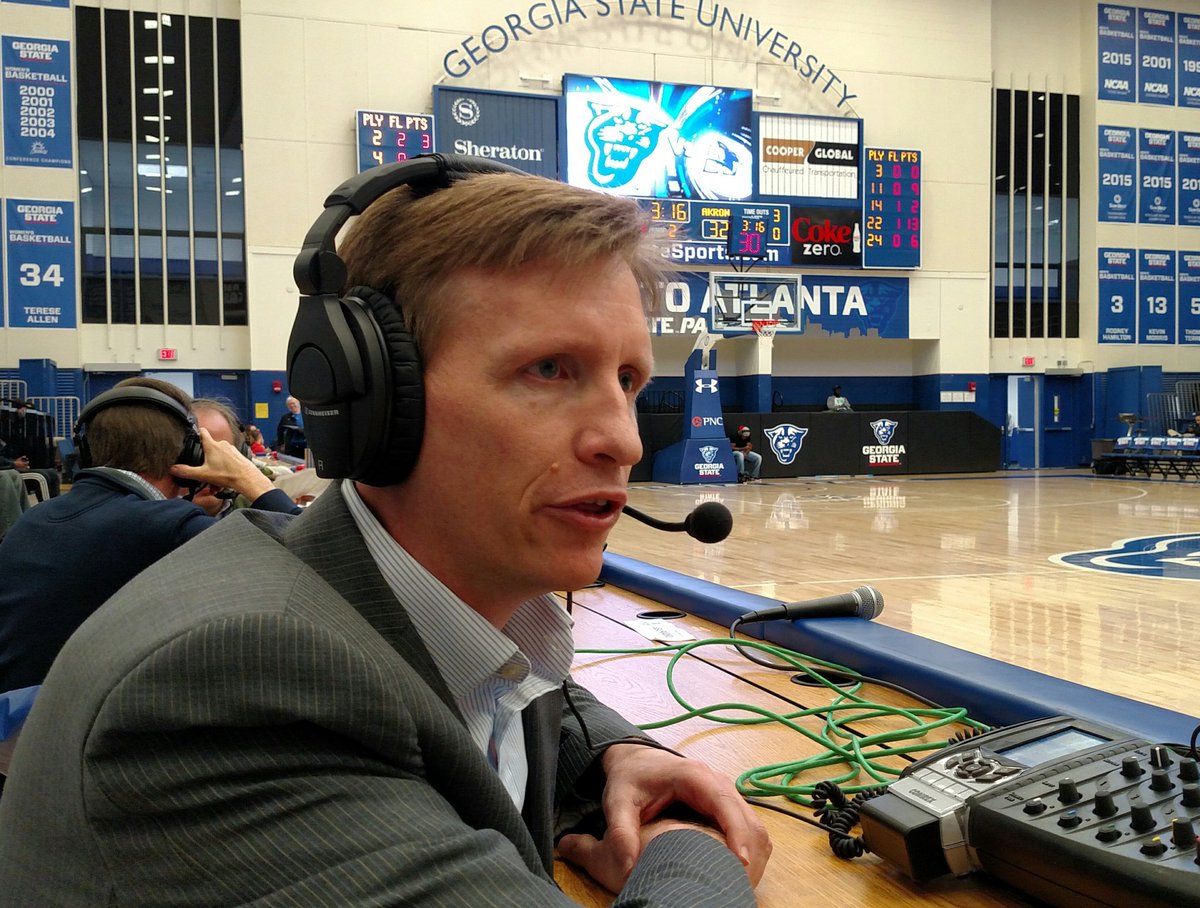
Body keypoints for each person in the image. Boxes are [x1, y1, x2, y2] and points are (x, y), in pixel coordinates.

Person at [0, 158, 770, 905]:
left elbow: (509, 694)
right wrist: (688, 842)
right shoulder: (234, 683)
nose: (624, 441)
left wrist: (616, 754)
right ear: (372, 398)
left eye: (628, 381)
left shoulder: (431, 605)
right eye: (550, 370)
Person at [0, 377, 302, 692]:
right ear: (190, 455)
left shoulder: (31, 521)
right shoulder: (170, 527)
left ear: (87, 451)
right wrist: (248, 477)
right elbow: (316, 559)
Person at [0, 401, 61, 498]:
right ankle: (45, 510)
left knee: (52, 473)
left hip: (8, 465)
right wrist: (14, 464)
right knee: (42, 476)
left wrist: (15, 461)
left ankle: (56, 508)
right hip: (5, 470)